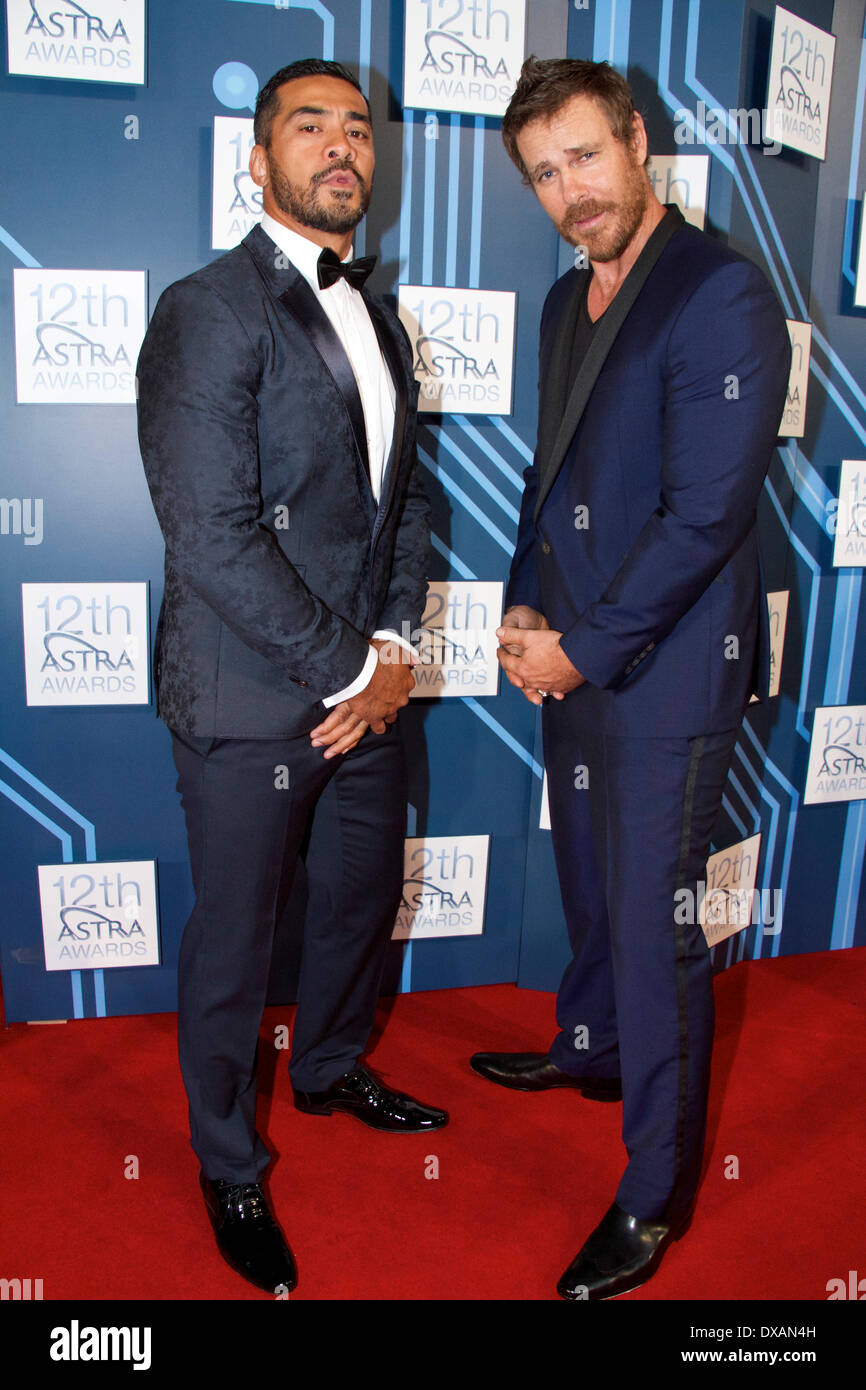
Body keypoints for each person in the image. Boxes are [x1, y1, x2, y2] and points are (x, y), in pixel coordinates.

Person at [470, 57, 791, 1300]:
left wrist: (585, 646)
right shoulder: (564, 301)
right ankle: (591, 1046)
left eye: (584, 158)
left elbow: (706, 513)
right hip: (576, 645)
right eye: (544, 174)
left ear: (637, 143)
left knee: (656, 927)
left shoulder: (717, 293)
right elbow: (550, 473)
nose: (569, 191)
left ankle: (651, 1193)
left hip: (664, 668)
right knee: (590, 879)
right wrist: (518, 598)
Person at [137, 58, 447, 1296]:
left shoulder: (376, 314)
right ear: (255, 161)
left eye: (357, 130)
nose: (339, 148)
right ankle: (227, 1159)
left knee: (354, 903)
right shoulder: (208, 309)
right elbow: (208, 533)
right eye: (307, 126)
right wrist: (346, 671)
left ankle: (325, 1067)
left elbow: (403, 504)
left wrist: (400, 650)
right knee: (234, 941)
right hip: (254, 693)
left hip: (365, 684)